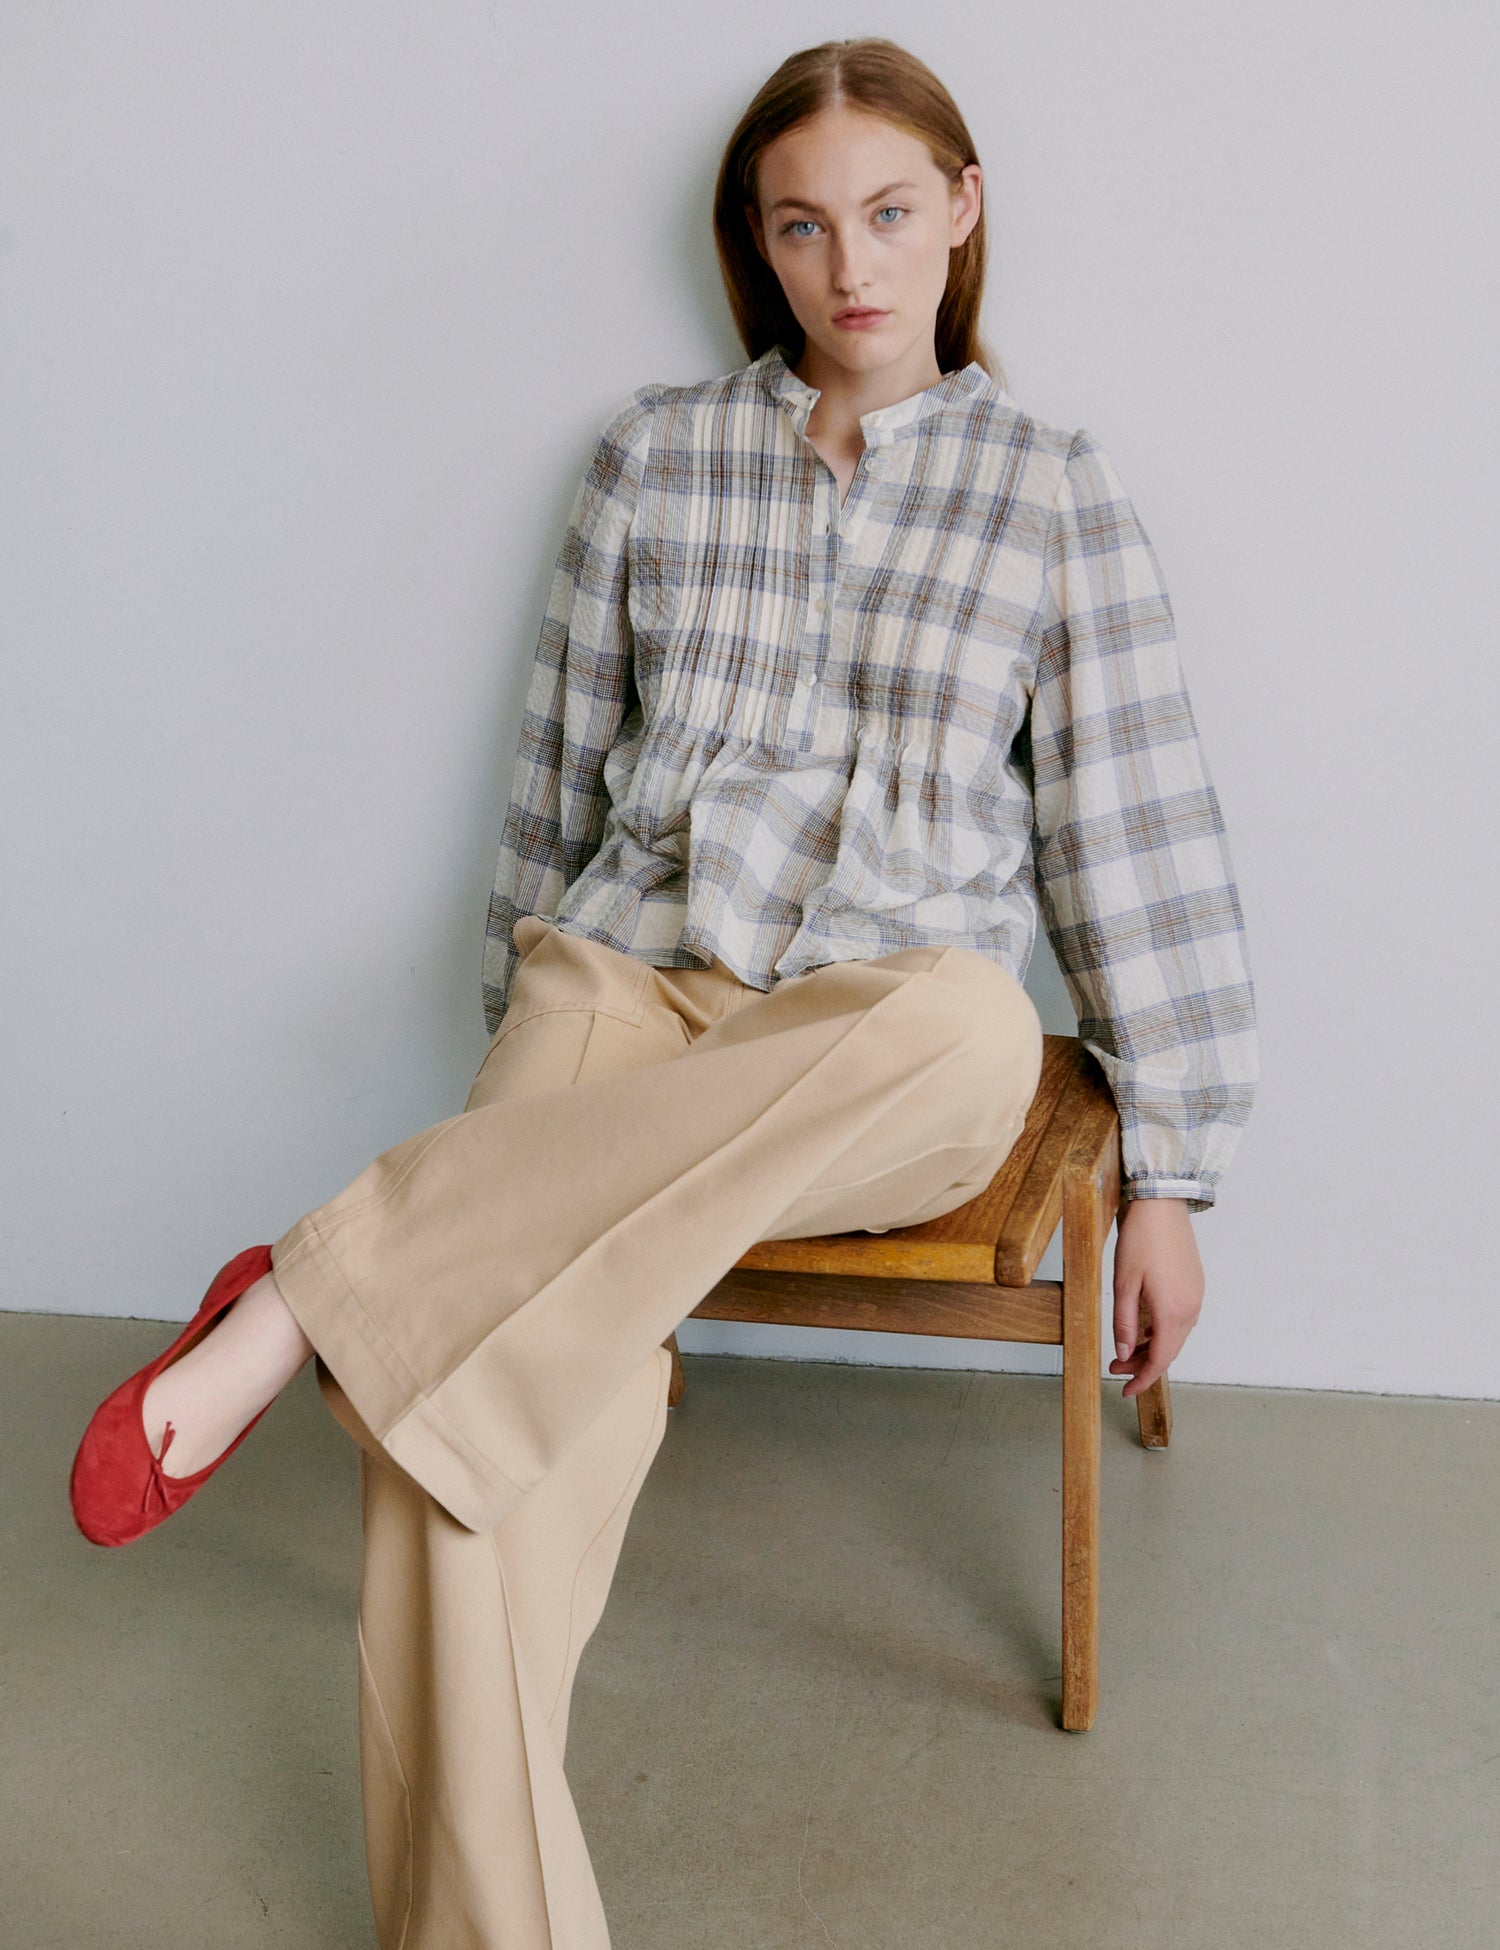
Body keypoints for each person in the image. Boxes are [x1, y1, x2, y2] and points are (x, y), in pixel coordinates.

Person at [68, 34, 1258, 1950]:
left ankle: (314, 1288)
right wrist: (520, 1065)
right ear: (757, 250)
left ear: (961, 211)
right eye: (803, 228)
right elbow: (556, 787)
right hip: (629, 980)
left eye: (887, 213)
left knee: (961, 1009)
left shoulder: (1054, 493)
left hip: (879, 1041)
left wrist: (1176, 1169)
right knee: (491, 1404)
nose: (852, 267)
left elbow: (1140, 835)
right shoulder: (653, 455)